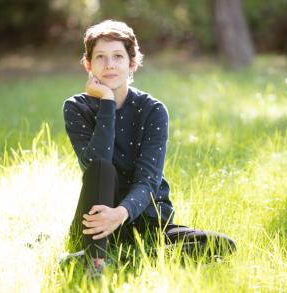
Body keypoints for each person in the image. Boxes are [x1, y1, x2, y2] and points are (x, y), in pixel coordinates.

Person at [62, 20, 235, 275]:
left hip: (147, 220)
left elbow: (148, 181)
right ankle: (96, 260)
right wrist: (107, 103)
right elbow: (95, 163)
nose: (109, 64)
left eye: (118, 56)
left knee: (222, 245)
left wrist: (120, 214)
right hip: (97, 219)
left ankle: (117, 259)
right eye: (100, 57)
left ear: (132, 63)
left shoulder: (152, 110)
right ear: (89, 65)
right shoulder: (77, 107)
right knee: (101, 169)